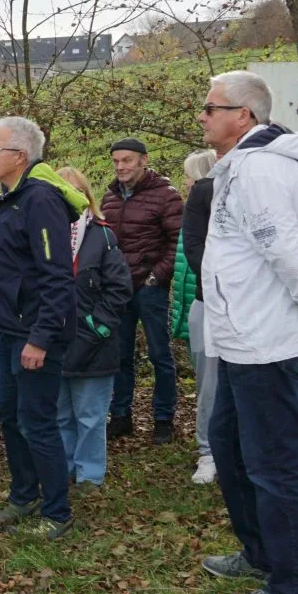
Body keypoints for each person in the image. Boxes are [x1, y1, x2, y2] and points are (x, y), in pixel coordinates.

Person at [197, 71, 298, 594]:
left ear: (244, 116)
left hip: (265, 340)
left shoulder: (260, 170)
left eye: (211, 108)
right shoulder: (242, 165)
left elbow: (291, 255)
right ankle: (260, 552)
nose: (202, 116)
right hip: (241, 338)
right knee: (228, 443)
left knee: (273, 465)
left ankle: (290, 590)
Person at [0, 117, 83, 540]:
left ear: (19, 156)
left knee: (36, 422)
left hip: (36, 333)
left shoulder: (40, 200)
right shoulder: (11, 198)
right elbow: (7, 269)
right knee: (10, 415)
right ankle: (24, 495)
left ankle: (57, 511)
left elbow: (56, 276)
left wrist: (40, 338)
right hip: (8, 329)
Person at [52, 168, 133, 492]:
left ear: (86, 196)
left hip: (94, 343)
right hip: (53, 342)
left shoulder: (102, 236)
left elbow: (119, 289)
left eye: (75, 191)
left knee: (90, 417)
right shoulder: (43, 237)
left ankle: (90, 476)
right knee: (60, 415)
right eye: (61, 192)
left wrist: (97, 327)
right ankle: (64, 470)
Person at [101, 138, 183, 444]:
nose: (120, 166)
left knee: (160, 355)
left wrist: (156, 276)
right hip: (118, 291)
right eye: (116, 161)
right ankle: (121, 416)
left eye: (127, 160)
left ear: (143, 160)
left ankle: (163, 419)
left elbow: (178, 241)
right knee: (120, 355)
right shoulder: (110, 198)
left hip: (150, 289)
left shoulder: (165, 196)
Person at [172, 149, 221, 485]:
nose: (186, 182)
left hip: (229, 305)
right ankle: (208, 451)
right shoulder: (194, 207)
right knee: (207, 383)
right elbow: (188, 259)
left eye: (189, 175)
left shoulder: (216, 200)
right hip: (202, 305)